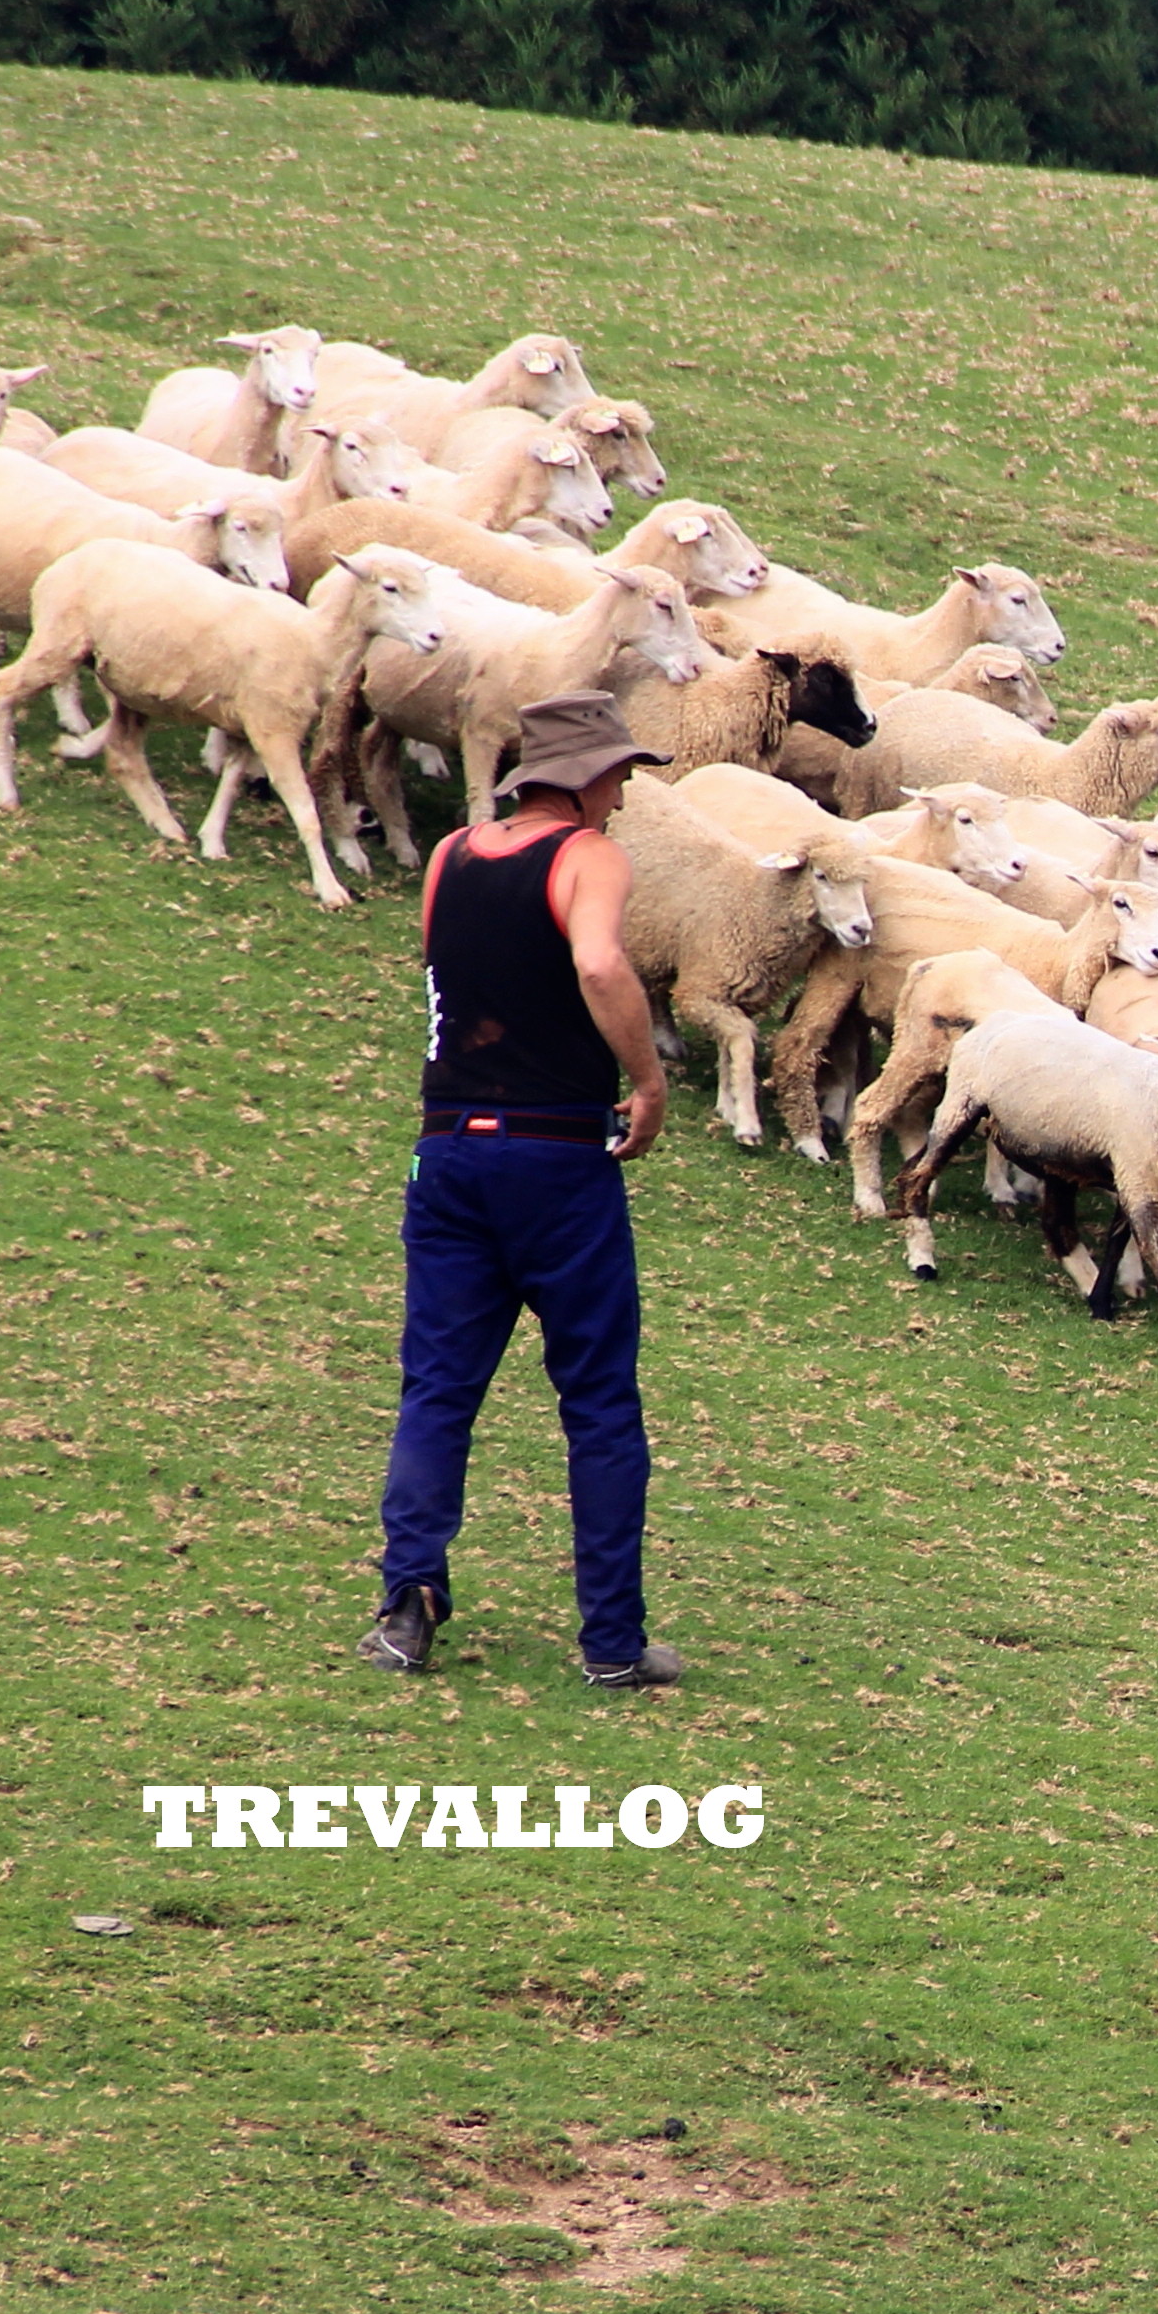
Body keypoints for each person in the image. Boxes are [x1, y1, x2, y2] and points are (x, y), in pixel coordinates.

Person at [363, 691, 679, 1690]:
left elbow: (446, 974)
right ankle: (612, 1643)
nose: (624, 793)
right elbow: (594, 961)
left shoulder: (454, 855)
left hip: (448, 1150)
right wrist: (648, 1078)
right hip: (553, 1159)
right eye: (620, 774)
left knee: (439, 1388)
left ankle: (407, 1604)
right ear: (584, 778)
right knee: (596, 1400)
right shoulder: (588, 856)